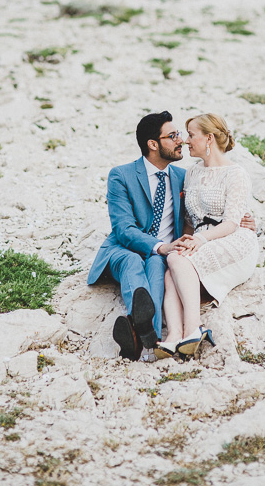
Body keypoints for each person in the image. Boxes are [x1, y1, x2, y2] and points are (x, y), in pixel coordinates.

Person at [87, 111, 256, 361]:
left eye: (183, 134)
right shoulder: (121, 175)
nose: (181, 141)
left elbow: (216, 205)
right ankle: (147, 331)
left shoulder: (182, 176)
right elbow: (123, 229)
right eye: (173, 135)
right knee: (135, 262)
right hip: (125, 248)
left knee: (159, 267)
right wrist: (159, 246)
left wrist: (246, 220)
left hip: (165, 252)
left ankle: (146, 337)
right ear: (153, 144)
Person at [155, 113, 259, 358]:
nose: (186, 141)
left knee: (176, 260)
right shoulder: (192, 172)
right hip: (201, 239)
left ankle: (192, 328)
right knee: (171, 271)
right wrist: (186, 240)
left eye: (191, 135)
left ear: (209, 138)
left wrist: (200, 240)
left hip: (232, 239)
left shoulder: (236, 173)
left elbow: (233, 222)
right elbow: (190, 222)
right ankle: (174, 337)